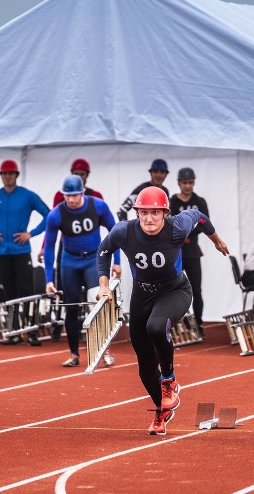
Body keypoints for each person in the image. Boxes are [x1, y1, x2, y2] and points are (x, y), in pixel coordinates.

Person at [95, 186, 229, 436]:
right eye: (143, 213)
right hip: (142, 294)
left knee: (156, 327)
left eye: (155, 213)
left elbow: (200, 216)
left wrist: (216, 239)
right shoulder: (124, 231)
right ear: (137, 213)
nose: (148, 219)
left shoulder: (178, 226)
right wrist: (104, 285)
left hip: (175, 290)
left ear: (165, 213)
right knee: (144, 365)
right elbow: (103, 253)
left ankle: (168, 379)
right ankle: (162, 409)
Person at [44, 175, 121, 367]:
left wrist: (116, 261)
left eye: (75, 196)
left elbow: (116, 232)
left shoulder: (98, 206)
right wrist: (48, 279)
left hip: (93, 260)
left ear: (83, 193)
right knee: (71, 307)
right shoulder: (56, 215)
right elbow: (49, 247)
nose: (70, 200)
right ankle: (73, 353)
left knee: (98, 305)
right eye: (67, 196)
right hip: (69, 261)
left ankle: (105, 349)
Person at [0, 159, 50, 345]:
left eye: (11, 173)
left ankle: (31, 332)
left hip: (22, 252)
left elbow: (49, 214)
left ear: (16, 175)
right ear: (1, 176)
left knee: (27, 292)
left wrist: (30, 234)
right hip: (2, 253)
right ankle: (14, 332)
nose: (7, 176)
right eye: (4, 174)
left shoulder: (27, 196)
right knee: (10, 293)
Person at [169, 167, 209, 332]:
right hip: (175, 253)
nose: (188, 186)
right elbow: (167, 221)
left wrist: (187, 233)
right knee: (172, 290)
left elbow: (205, 223)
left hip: (192, 252)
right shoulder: (172, 201)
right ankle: (173, 324)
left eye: (190, 182)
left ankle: (198, 324)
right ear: (179, 183)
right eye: (185, 182)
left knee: (196, 289)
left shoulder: (200, 202)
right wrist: (179, 235)